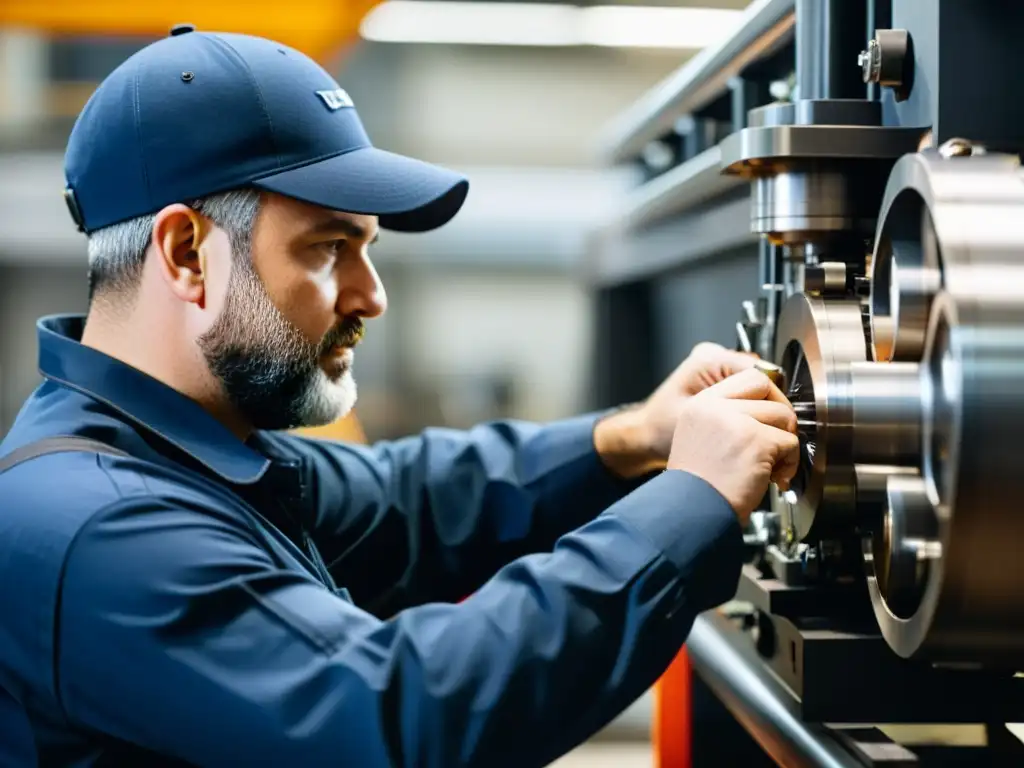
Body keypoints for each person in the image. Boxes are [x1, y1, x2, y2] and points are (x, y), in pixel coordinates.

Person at [0, 27, 799, 768]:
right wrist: (691, 502)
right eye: (329, 247)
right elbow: (397, 714)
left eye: (367, 248)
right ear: (185, 253)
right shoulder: (101, 527)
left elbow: (412, 498)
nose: (370, 294)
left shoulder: (190, 453)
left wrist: (637, 436)